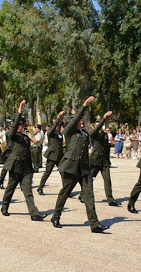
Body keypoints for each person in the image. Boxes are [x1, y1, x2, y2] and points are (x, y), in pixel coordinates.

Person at [50, 96, 108, 233]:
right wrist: (85, 105)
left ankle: (94, 224)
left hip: (84, 169)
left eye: (82, 119)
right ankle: (55, 216)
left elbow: (90, 139)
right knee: (65, 193)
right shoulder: (69, 131)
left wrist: (104, 119)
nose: (80, 121)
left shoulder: (85, 134)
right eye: (78, 119)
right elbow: (74, 120)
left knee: (89, 196)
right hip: (71, 168)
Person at [1, 100, 45, 220]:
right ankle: (4, 207)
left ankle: (34, 213)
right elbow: (14, 127)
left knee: (28, 191)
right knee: (10, 188)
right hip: (15, 167)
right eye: (19, 125)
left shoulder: (25, 137)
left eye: (22, 125)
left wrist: (31, 168)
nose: (21, 126)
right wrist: (20, 110)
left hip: (26, 168)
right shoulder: (11, 135)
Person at [89, 112, 119, 206]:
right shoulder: (93, 132)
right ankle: (83, 194)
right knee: (90, 179)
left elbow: (107, 148)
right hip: (95, 160)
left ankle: (110, 199)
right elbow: (95, 131)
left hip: (104, 161)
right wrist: (104, 118)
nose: (99, 123)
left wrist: (108, 161)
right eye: (97, 122)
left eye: (100, 122)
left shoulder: (105, 134)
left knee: (107, 180)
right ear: (94, 124)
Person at [37, 111, 65, 195]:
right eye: (57, 125)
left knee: (63, 172)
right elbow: (52, 129)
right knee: (47, 173)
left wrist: (61, 119)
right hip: (52, 156)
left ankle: (65, 190)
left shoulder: (60, 134)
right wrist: (58, 117)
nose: (58, 127)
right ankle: (40, 188)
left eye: (59, 126)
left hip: (59, 156)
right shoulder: (50, 133)